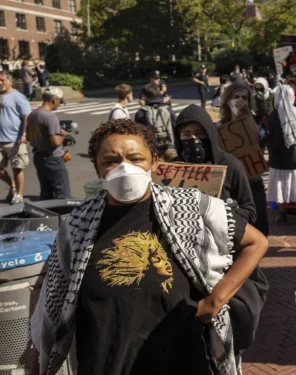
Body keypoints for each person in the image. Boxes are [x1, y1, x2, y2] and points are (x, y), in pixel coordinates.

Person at [29, 119, 269, 375]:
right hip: (104, 361)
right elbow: (53, 302)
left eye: (135, 158)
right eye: (111, 161)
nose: (125, 168)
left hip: (181, 359)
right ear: (98, 169)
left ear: (154, 162)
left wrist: (214, 301)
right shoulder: (77, 226)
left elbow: (256, 242)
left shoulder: (190, 207)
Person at [173, 104, 257, 224]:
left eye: (199, 133)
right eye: (186, 134)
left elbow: (250, 212)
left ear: (209, 134)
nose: (194, 139)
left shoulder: (230, 165)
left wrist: (229, 212)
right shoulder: (172, 168)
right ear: (179, 137)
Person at [220, 83, 270, 236]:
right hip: (231, 185)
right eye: (236, 97)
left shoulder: (258, 121)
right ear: (228, 101)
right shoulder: (220, 126)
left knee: (260, 228)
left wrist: (245, 116)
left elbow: (256, 138)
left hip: (253, 181)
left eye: (244, 98)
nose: (241, 101)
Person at [266, 85, 296, 223]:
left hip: (278, 160)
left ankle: (283, 213)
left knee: (280, 187)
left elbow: (270, 137)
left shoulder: (274, 115)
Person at [26, 86, 70, 200]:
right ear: (54, 100)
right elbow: (55, 142)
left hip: (38, 157)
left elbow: (29, 136)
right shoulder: (50, 117)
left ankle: (47, 216)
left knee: (46, 193)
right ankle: (63, 216)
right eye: (59, 101)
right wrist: (63, 136)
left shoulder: (33, 114)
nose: (59, 104)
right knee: (62, 193)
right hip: (53, 159)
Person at [0, 70, 31, 204]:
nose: (0, 83)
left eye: (2, 80)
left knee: (17, 168)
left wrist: (24, 134)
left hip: (15, 140)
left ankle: (19, 194)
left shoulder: (18, 96)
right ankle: (12, 185)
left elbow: (26, 116)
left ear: (10, 81)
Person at [134, 83, 177, 161]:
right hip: (170, 148)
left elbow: (137, 134)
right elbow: (176, 127)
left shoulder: (141, 112)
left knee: (156, 172)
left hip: (152, 151)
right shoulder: (168, 109)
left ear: (144, 96)